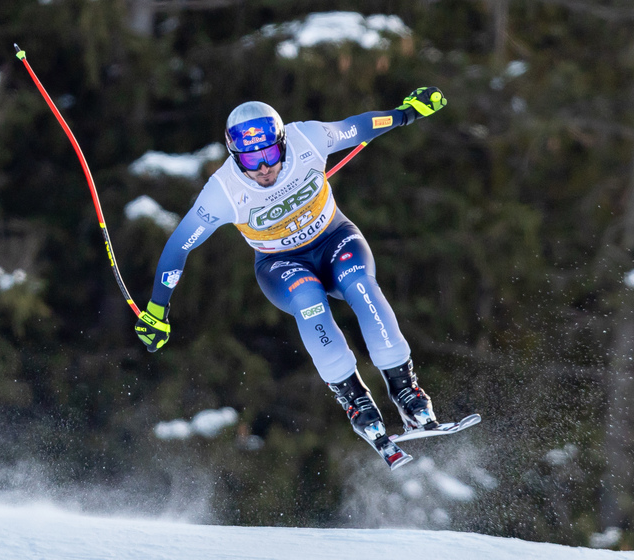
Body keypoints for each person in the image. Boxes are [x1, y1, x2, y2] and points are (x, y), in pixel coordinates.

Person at [135, 88, 447, 451]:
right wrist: (158, 308)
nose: (264, 167)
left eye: (269, 153)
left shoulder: (307, 139)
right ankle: (358, 404)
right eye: (251, 160)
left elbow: (359, 127)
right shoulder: (223, 192)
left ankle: (407, 392)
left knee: (362, 287)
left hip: (335, 239)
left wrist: (406, 112)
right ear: (236, 157)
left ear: (282, 143)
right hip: (280, 263)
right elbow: (179, 246)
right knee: (309, 302)